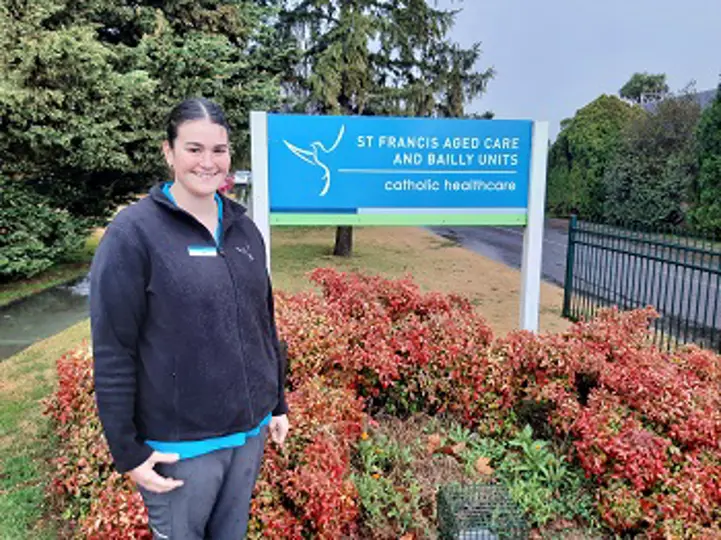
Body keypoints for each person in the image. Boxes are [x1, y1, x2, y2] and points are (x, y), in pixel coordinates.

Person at [90, 97, 289, 539]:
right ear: (169, 152)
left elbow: (263, 322)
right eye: (194, 149)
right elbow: (113, 348)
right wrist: (127, 451)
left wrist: (276, 404)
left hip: (249, 434)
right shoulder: (133, 234)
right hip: (181, 449)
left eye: (218, 150)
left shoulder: (243, 229)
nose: (208, 162)